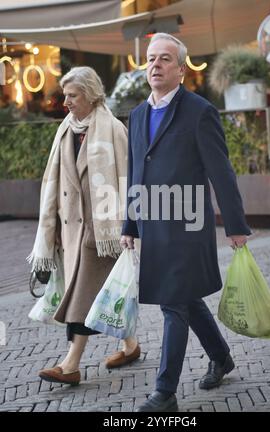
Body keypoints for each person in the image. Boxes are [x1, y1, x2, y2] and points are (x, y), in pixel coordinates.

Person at [120, 33, 251, 412]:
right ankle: (221, 357)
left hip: (187, 225)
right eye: (150, 59)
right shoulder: (138, 114)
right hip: (153, 227)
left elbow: (221, 172)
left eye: (164, 59)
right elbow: (135, 172)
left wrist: (236, 224)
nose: (155, 65)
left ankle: (164, 393)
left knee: (172, 303)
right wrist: (130, 224)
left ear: (181, 69)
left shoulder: (199, 111)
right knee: (186, 299)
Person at [28, 66, 140, 386]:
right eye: (65, 95)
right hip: (71, 230)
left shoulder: (113, 129)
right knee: (105, 295)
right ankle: (130, 345)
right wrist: (53, 232)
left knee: (82, 295)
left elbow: (126, 179)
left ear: (91, 95)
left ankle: (70, 364)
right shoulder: (66, 128)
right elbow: (57, 182)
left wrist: (124, 226)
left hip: (102, 229)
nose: (66, 102)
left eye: (72, 95)